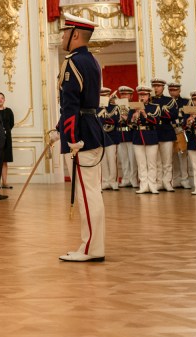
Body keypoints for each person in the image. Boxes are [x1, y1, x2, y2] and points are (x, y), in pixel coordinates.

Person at [56, 15, 107, 263]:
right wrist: (59, 129)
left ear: (76, 34)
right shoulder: (91, 60)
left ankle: (91, 248)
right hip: (91, 130)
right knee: (92, 191)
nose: (62, 36)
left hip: (81, 136)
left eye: (65, 32)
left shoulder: (74, 62)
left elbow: (71, 105)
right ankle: (91, 245)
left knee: (88, 194)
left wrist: (71, 137)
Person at [129, 86, 161, 195]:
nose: (142, 97)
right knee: (141, 164)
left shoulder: (155, 107)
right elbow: (129, 123)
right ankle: (143, 185)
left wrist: (144, 114)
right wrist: (134, 117)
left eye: (144, 95)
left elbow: (156, 121)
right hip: (138, 137)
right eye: (140, 95)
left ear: (149, 96)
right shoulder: (133, 107)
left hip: (151, 136)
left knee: (151, 163)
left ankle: (152, 185)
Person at [150, 79, 177, 192]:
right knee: (156, 161)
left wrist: (158, 113)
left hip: (166, 131)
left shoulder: (169, 100)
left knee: (167, 161)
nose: (156, 88)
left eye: (158, 86)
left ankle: (167, 182)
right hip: (154, 132)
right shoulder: (149, 101)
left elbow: (173, 115)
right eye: (154, 86)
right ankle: (159, 181)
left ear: (163, 87)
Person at [167, 83, 191, 189]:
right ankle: (176, 179)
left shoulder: (185, 102)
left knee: (183, 156)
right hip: (169, 131)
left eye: (175, 90)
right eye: (171, 90)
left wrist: (183, 125)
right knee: (172, 156)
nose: (173, 92)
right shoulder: (166, 102)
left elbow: (187, 116)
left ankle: (184, 179)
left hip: (181, 130)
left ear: (179, 90)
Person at [112, 87, 136, 189]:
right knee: (124, 160)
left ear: (131, 96)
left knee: (133, 160)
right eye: (122, 94)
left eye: (126, 94)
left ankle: (134, 179)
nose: (124, 96)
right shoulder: (116, 107)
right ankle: (126, 179)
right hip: (121, 136)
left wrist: (127, 118)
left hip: (131, 136)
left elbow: (135, 122)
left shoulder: (134, 107)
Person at [96, 87, 119, 192]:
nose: (103, 98)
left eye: (105, 96)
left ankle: (113, 181)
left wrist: (104, 117)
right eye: (101, 96)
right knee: (103, 160)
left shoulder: (114, 107)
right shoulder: (96, 108)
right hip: (101, 137)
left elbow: (115, 120)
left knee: (112, 159)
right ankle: (105, 181)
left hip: (112, 136)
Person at [0, 92, 15, 189]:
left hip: (7, 138)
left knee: (5, 161)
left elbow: (11, 124)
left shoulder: (8, 111)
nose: (0, 99)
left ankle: (4, 182)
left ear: (4, 100)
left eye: (2, 98)